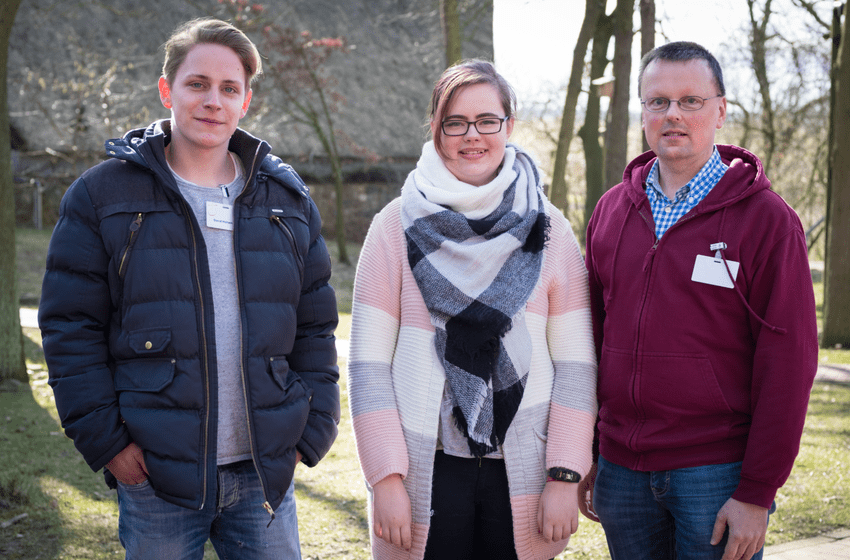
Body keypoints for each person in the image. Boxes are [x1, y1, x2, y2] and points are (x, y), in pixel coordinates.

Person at [38, 18, 340, 559]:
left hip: (264, 476)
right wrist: (109, 446)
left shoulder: (287, 201)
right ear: (167, 90)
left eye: (229, 88)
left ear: (245, 101)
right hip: (156, 476)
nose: (212, 101)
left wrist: (311, 434)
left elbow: (315, 328)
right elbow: (70, 328)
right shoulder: (101, 195)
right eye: (197, 83)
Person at [348, 59, 597, 560]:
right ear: (436, 131)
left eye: (488, 120)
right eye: (454, 123)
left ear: (509, 125)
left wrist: (565, 476)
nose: (472, 136)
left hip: (524, 469)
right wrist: (386, 480)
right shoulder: (394, 226)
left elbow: (576, 367)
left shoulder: (549, 229)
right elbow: (368, 368)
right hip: (428, 467)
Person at [582, 41, 818, 560]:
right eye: (657, 101)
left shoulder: (767, 221)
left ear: (720, 110)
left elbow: (789, 363)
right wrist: (591, 451)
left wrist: (757, 491)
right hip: (621, 471)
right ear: (642, 111)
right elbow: (589, 340)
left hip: (716, 474)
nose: (672, 114)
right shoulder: (612, 210)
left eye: (690, 100)